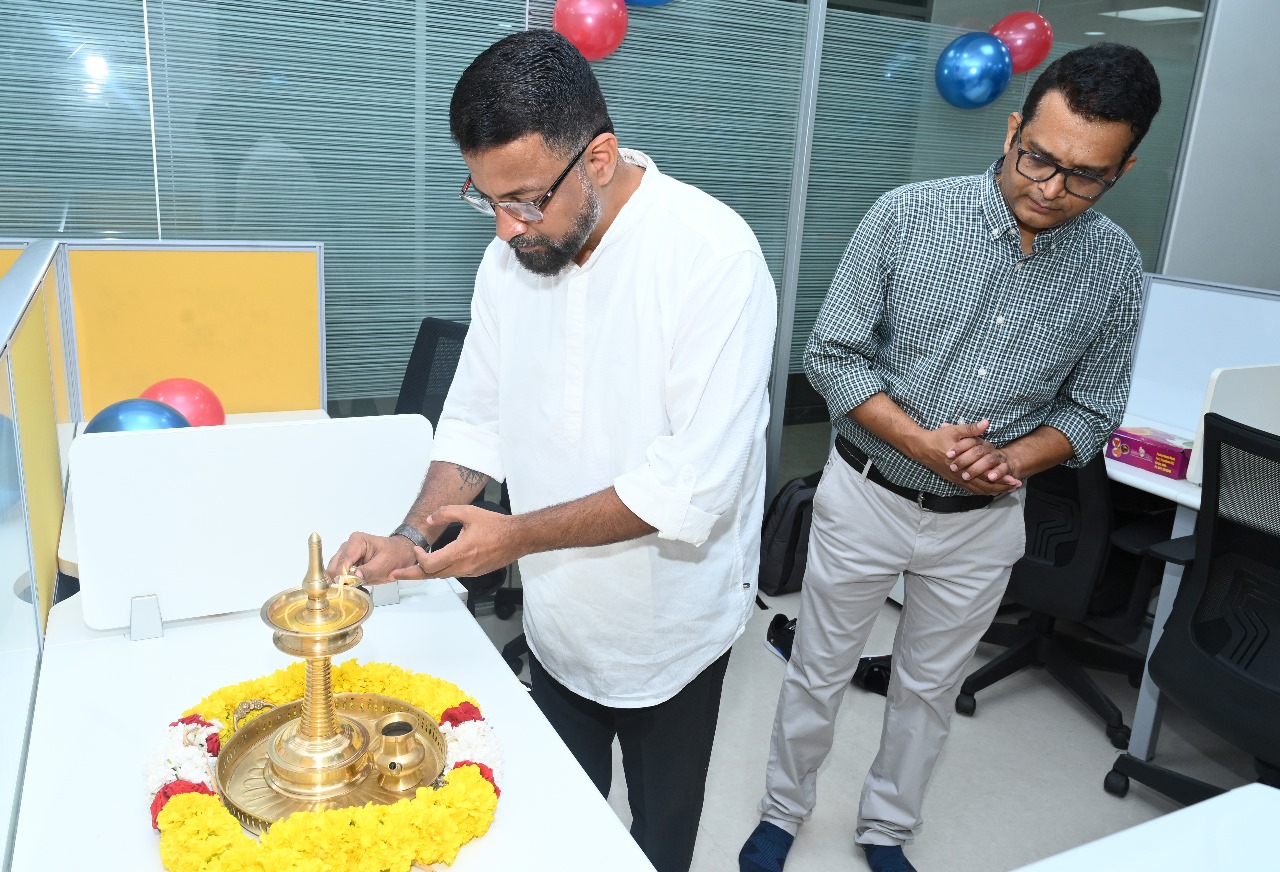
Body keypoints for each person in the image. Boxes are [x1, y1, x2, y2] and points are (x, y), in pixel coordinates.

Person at [329, 29, 777, 872]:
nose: (505, 228)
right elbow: (474, 423)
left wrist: (516, 537)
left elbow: (691, 490)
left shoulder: (713, 259)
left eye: (527, 200)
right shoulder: (513, 261)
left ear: (598, 157)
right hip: (558, 622)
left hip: (669, 632)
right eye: (486, 198)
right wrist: (412, 538)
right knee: (559, 829)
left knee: (656, 842)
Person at [739, 43, 1161, 872]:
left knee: (928, 692)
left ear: (1123, 169)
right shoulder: (908, 215)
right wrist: (922, 442)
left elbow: (1094, 410)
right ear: (1012, 129)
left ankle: (887, 829)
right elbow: (833, 356)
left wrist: (1015, 460)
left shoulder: (1115, 269)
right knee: (818, 670)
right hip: (867, 495)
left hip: (985, 522)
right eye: (1038, 158)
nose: (1050, 187)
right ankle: (782, 813)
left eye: (1085, 176)